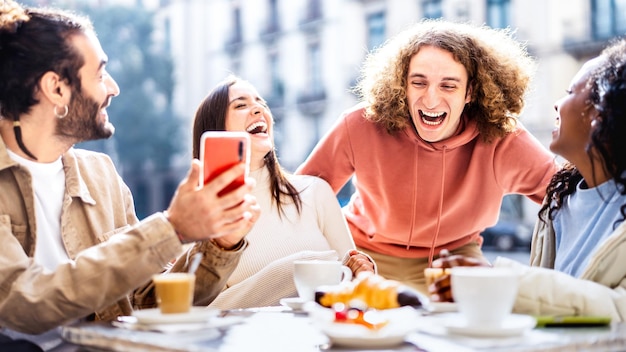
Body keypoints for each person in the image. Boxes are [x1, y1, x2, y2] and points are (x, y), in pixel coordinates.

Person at [0, 0, 261, 344]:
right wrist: (172, 227)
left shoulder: (101, 174)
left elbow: (147, 300)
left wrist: (220, 246)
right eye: (99, 73)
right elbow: (24, 302)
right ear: (57, 88)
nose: (113, 88)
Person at [296, 19, 558, 294]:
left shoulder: (501, 136)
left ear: (470, 92)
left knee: (485, 323)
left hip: (455, 259)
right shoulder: (361, 123)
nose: (431, 100)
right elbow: (303, 198)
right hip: (364, 254)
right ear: (402, 86)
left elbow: (566, 192)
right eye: (418, 83)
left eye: (448, 86)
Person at [430, 38, 626, 321]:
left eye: (571, 92)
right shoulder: (559, 201)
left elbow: (620, 309)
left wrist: (499, 281)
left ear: (600, 114)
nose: (557, 105)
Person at [192, 76, 376, 309]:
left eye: (261, 103)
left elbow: (355, 287)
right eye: (241, 105)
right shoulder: (196, 216)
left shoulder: (315, 192)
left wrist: (363, 271)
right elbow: (207, 310)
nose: (258, 108)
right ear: (215, 130)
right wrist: (297, 269)